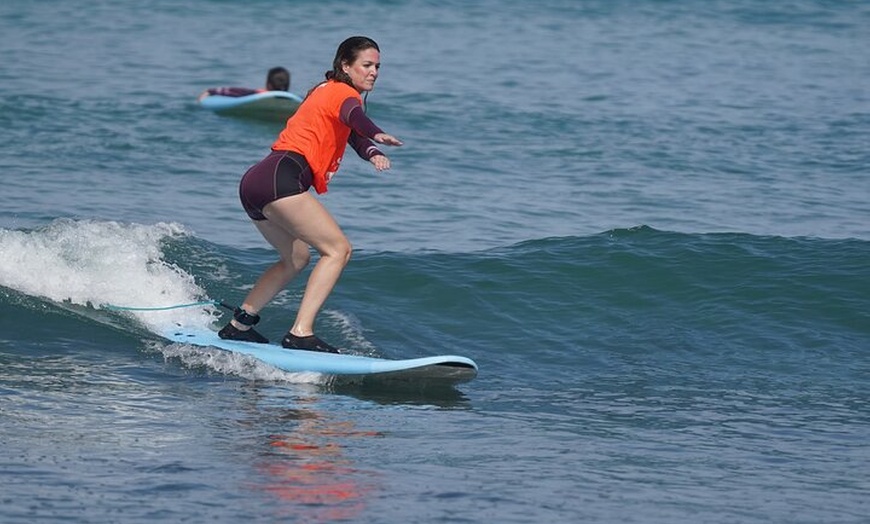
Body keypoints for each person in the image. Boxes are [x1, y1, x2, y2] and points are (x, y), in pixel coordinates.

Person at [217, 36, 403, 353]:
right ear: (345, 65)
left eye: (377, 67)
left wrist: (371, 151)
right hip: (282, 177)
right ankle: (301, 332)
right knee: (338, 250)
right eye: (367, 65)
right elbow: (356, 119)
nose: (373, 72)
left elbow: (351, 133)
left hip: (257, 180)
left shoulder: (322, 90)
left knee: (296, 258)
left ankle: (240, 324)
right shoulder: (344, 94)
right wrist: (376, 131)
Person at [197, 66, 291, 100]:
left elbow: (233, 92)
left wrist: (210, 91)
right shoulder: (291, 100)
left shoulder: (258, 94)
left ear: (268, 84)